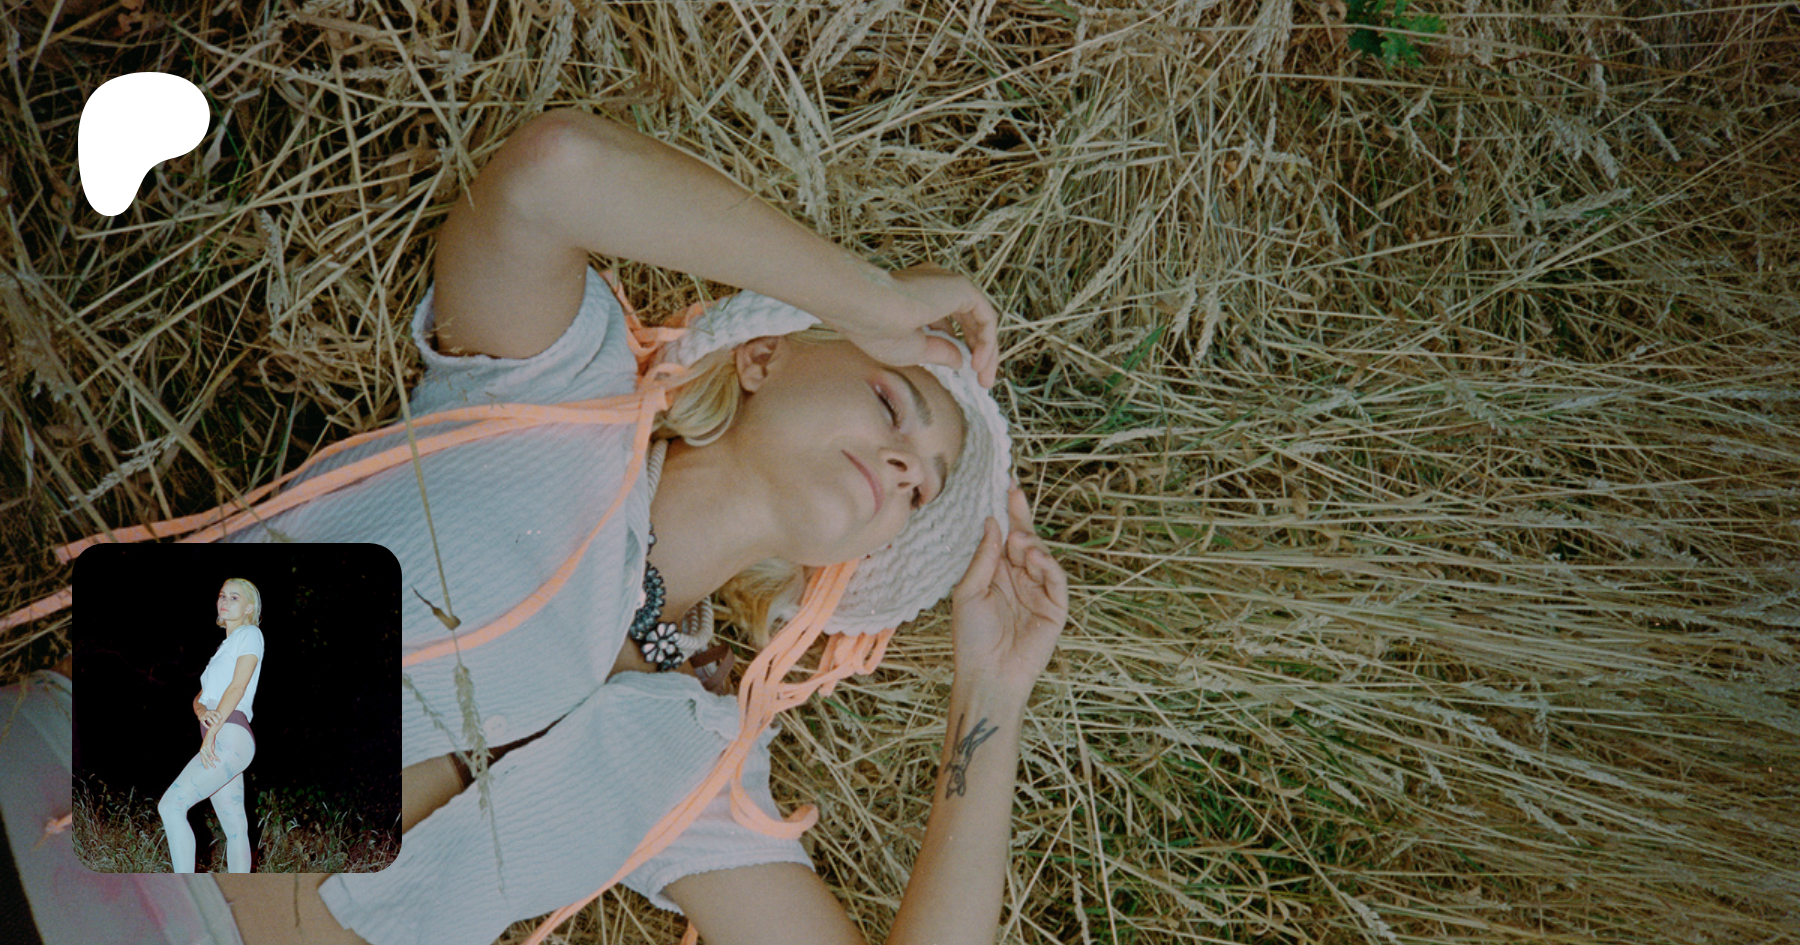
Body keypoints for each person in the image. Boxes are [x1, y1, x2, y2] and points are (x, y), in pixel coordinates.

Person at [10, 108, 1068, 945]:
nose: (906, 466)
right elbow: (551, 172)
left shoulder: (703, 766)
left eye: (924, 490)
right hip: (49, 824)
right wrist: (870, 297)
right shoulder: (556, 391)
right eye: (891, 400)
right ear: (763, 355)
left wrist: (990, 692)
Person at [157, 578, 265, 873]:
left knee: (171, 806)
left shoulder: (250, 634)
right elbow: (201, 697)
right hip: (221, 737)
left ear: (249, 608)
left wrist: (212, 734)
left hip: (229, 735)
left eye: (234, 597)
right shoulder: (223, 649)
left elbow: (237, 687)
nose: (225, 601)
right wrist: (202, 710)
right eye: (222, 595)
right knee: (235, 830)